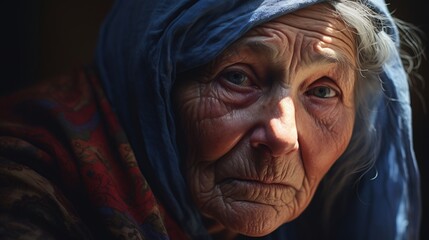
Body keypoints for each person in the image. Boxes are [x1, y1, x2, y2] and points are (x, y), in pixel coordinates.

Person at [0, 0, 422, 239]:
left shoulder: (320, 225)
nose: (282, 135)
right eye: (237, 78)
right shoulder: (22, 184)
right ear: (153, 86)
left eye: (323, 91)